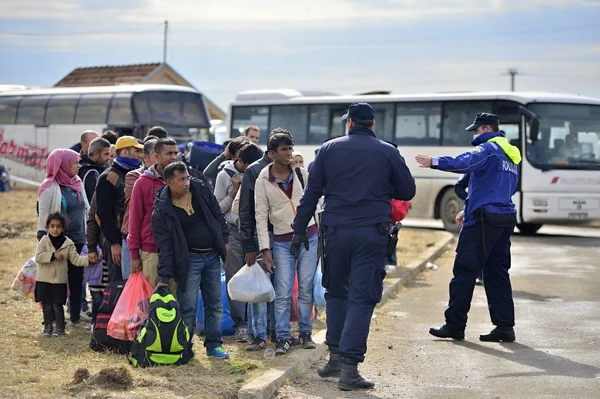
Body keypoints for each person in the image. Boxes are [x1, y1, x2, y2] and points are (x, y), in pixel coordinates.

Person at [291, 103, 415, 391]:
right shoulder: (387, 151)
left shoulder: (328, 150)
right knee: (362, 297)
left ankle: (335, 357)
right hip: (371, 234)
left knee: (336, 292)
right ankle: (348, 368)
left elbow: (311, 194)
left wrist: (298, 231)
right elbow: (407, 190)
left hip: (334, 233)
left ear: (349, 123)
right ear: (372, 124)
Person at [415, 112, 521, 343]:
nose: (474, 134)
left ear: (485, 129)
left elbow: (465, 162)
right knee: (497, 273)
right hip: (503, 218)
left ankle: (454, 325)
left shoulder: (489, 149)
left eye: (475, 130)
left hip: (483, 222)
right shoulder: (511, 154)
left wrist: (434, 162)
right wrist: (470, 207)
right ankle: (504, 327)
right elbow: (502, 189)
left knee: (464, 271)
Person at [152, 162, 230, 359]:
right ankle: (184, 348)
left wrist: (225, 239)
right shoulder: (162, 209)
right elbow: (165, 246)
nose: (186, 182)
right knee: (187, 308)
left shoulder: (200, 188)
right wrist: (164, 276)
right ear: (169, 182)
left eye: (187, 177)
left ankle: (214, 345)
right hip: (189, 262)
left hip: (212, 256)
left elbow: (218, 215)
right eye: (181, 179)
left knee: (215, 304)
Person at [255, 131, 319, 355]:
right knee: (282, 291)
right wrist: (265, 249)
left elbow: (315, 204)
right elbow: (260, 217)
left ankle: (305, 332)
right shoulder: (263, 180)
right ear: (272, 154)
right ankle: (282, 337)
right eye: (284, 150)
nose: (289, 153)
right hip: (281, 242)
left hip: (309, 237)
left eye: (291, 149)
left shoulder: (302, 174)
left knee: (305, 288)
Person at [213, 143, 263, 343]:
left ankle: (257, 324)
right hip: (233, 232)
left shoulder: (260, 172)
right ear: (239, 162)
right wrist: (234, 191)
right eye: (248, 165)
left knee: (258, 276)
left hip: (256, 231)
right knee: (235, 277)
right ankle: (240, 324)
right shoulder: (224, 175)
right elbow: (217, 209)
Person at [37, 149, 90, 327]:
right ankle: (52, 319)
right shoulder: (49, 187)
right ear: (63, 164)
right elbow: (43, 217)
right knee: (55, 282)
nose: (78, 165)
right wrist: (44, 241)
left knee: (77, 280)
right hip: (58, 243)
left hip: (77, 239)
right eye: (75, 162)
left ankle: (74, 317)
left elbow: (86, 209)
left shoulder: (78, 183)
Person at [128, 138, 179, 289]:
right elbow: (135, 220)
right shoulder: (143, 182)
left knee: (175, 306)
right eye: (169, 153)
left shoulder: (182, 180)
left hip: (178, 250)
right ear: (156, 156)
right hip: (151, 251)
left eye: (176, 153)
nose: (174, 157)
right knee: (151, 303)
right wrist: (134, 255)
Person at [35, 212, 93, 337]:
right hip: (44, 280)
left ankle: (60, 330)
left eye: (58, 226)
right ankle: (47, 329)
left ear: (62, 228)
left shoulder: (68, 244)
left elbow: (76, 260)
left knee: (57, 305)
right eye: (52, 226)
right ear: (48, 227)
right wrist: (52, 256)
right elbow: (38, 257)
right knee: (46, 306)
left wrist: (89, 259)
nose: (55, 229)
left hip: (59, 281)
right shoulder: (44, 241)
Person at [95, 136, 142, 283]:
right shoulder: (108, 177)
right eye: (136, 151)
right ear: (125, 152)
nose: (140, 155)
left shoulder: (136, 174)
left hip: (132, 240)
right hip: (118, 242)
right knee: (120, 284)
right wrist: (114, 243)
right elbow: (104, 214)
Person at [121, 138, 159, 279]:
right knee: (137, 285)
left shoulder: (169, 178)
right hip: (135, 239)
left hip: (159, 243)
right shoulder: (135, 177)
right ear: (145, 157)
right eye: (156, 156)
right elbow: (137, 211)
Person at [79, 137, 111, 203]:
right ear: (96, 154)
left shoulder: (82, 166)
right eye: (106, 154)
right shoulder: (91, 172)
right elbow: (96, 200)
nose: (108, 158)